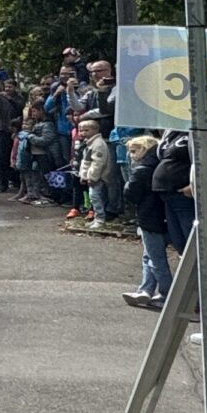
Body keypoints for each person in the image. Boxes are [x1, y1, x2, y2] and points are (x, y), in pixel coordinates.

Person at [122, 135, 170, 309]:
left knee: (155, 258)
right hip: (163, 215)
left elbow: (131, 194)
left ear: (143, 149)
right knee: (149, 255)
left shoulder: (141, 169)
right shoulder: (161, 165)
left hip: (149, 216)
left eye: (134, 151)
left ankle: (166, 293)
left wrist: (128, 184)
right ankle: (146, 289)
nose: (131, 155)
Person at [78, 117, 122, 225]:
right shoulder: (89, 143)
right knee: (95, 197)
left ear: (96, 130)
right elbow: (86, 161)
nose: (83, 133)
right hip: (91, 176)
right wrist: (84, 175)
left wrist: (92, 177)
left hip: (98, 177)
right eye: (81, 130)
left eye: (86, 130)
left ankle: (100, 219)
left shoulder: (98, 144)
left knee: (95, 197)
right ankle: (97, 218)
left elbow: (97, 163)